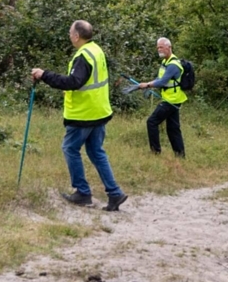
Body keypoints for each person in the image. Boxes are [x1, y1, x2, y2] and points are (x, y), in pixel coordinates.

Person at [32, 21, 128, 212]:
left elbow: (73, 82)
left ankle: (82, 193)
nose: (69, 35)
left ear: (77, 36)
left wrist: (44, 75)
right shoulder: (96, 50)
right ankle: (114, 193)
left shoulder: (83, 56)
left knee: (70, 148)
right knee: (96, 152)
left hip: (84, 114)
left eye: (70, 32)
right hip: (99, 111)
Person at [137, 37, 187, 158]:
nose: (159, 49)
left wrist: (147, 85)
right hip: (171, 99)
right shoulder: (166, 62)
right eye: (158, 47)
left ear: (169, 47)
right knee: (173, 128)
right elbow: (160, 79)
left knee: (152, 122)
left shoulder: (173, 64)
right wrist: (149, 83)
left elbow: (163, 82)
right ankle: (180, 156)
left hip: (171, 100)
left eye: (161, 47)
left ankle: (155, 152)